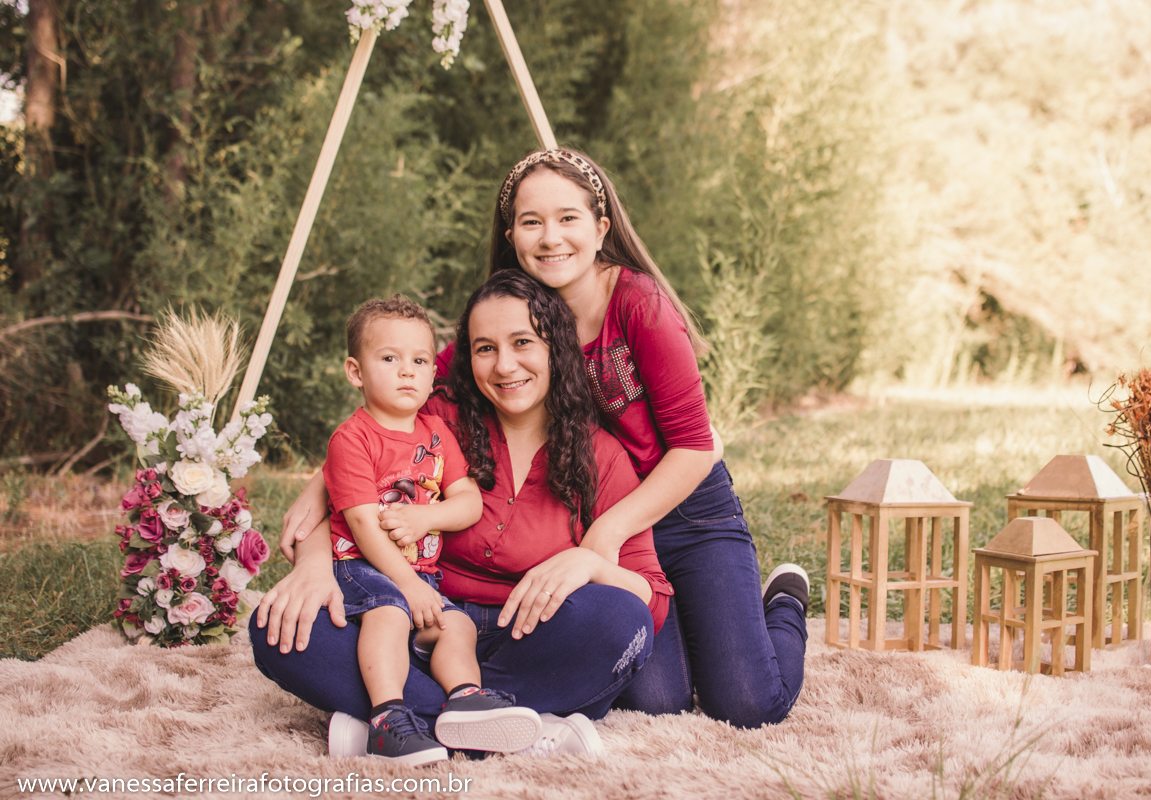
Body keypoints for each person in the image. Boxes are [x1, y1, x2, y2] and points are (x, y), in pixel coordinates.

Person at [251, 271, 673, 756]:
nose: (505, 364)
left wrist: (594, 565)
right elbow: (353, 500)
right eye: (485, 348)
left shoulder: (601, 455)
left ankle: (396, 719)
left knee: (622, 621)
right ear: (465, 358)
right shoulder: (437, 420)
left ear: (556, 348)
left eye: (523, 342)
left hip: (531, 637)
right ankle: (527, 727)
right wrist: (311, 564)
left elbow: (652, 598)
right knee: (277, 627)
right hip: (418, 623)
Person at [487, 148, 809, 727]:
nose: (550, 237)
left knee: (746, 704)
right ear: (511, 234)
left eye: (568, 218)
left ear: (601, 226)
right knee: (654, 700)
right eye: (532, 221)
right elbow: (426, 386)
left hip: (689, 514)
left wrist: (604, 535)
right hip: (606, 532)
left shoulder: (640, 305)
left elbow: (695, 447)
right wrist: (328, 485)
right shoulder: (514, 313)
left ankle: (781, 603)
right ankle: (697, 622)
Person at [322, 295, 538, 764]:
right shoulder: (352, 438)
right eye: (389, 359)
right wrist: (405, 585)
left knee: (454, 623)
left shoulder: (436, 432)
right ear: (356, 372)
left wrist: (425, 517)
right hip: (362, 566)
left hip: (420, 577)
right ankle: (387, 720)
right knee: (390, 614)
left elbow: (469, 503)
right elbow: (361, 523)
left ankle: (465, 700)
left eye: (420, 360)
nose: (407, 372)